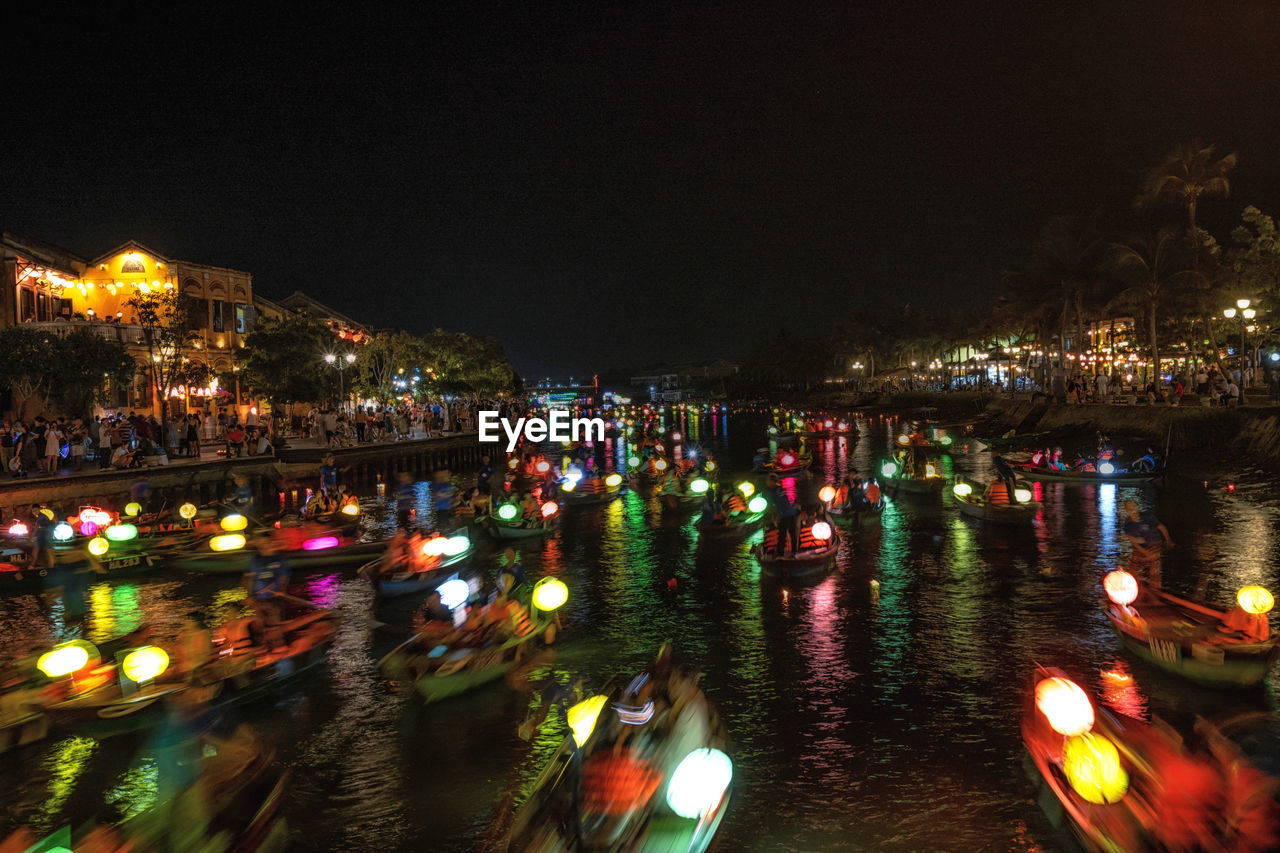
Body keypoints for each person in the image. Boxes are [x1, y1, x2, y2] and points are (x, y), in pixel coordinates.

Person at [243, 534, 291, 649]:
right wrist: (249, 596)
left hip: (274, 598)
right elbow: (248, 578)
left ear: (270, 543)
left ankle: (278, 646)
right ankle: (262, 648)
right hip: (257, 598)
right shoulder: (255, 559)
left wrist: (282, 590)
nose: (263, 546)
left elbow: (284, 578)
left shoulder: (280, 559)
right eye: (260, 544)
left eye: (265, 543)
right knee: (258, 626)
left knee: (275, 625)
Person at [1122, 499, 1173, 588]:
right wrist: (1144, 551)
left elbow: (1162, 528)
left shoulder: (1148, 517)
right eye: (1129, 508)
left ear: (1137, 507)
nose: (1132, 510)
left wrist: (1168, 540)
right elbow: (1133, 541)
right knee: (1133, 569)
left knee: (1154, 565)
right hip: (1140, 547)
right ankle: (1132, 587)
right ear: (1127, 511)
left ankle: (1155, 588)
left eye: (1134, 507)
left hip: (1154, 544)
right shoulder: (1128, 524)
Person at [765, 473, 799, 556]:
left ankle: (780, 553)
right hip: (792, 512)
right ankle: (794, 551)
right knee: (792, 533)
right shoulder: (781, 489)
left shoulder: (772, 492)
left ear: (772, 482)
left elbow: (772, 506)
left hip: (785, 514)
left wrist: (774, 517)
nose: (767, 483)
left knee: (782, 534)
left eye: (768, 481)